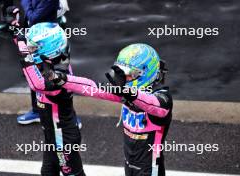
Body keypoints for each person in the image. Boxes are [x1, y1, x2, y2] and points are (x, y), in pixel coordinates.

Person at [24, 42, 173, 176]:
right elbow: (92, 87)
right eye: (123, 73)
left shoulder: (162, 99)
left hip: (150, 170)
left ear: (146, 73)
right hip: (130, 165)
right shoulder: (126, 92)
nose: (125, 78)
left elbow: (153, 105)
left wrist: (126, 92)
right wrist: (59, 77)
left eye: (130, 75)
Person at [20, 22, 85, 176]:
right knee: (47, 172)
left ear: (49, 48)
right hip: (52, 139)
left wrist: (24, 54)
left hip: (64, 142)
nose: (30, 51)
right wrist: (17, 33)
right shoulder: (51, 61)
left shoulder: (59, 75)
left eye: (35, 48)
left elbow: (37, 84)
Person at [17, 0, 83, 128]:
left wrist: (25, 2)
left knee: (60, 77)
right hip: (35, 38)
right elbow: (30, 17)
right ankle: (37, 111)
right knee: (36, 74)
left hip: (51, 41)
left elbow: (34, 17)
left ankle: (70, 117)